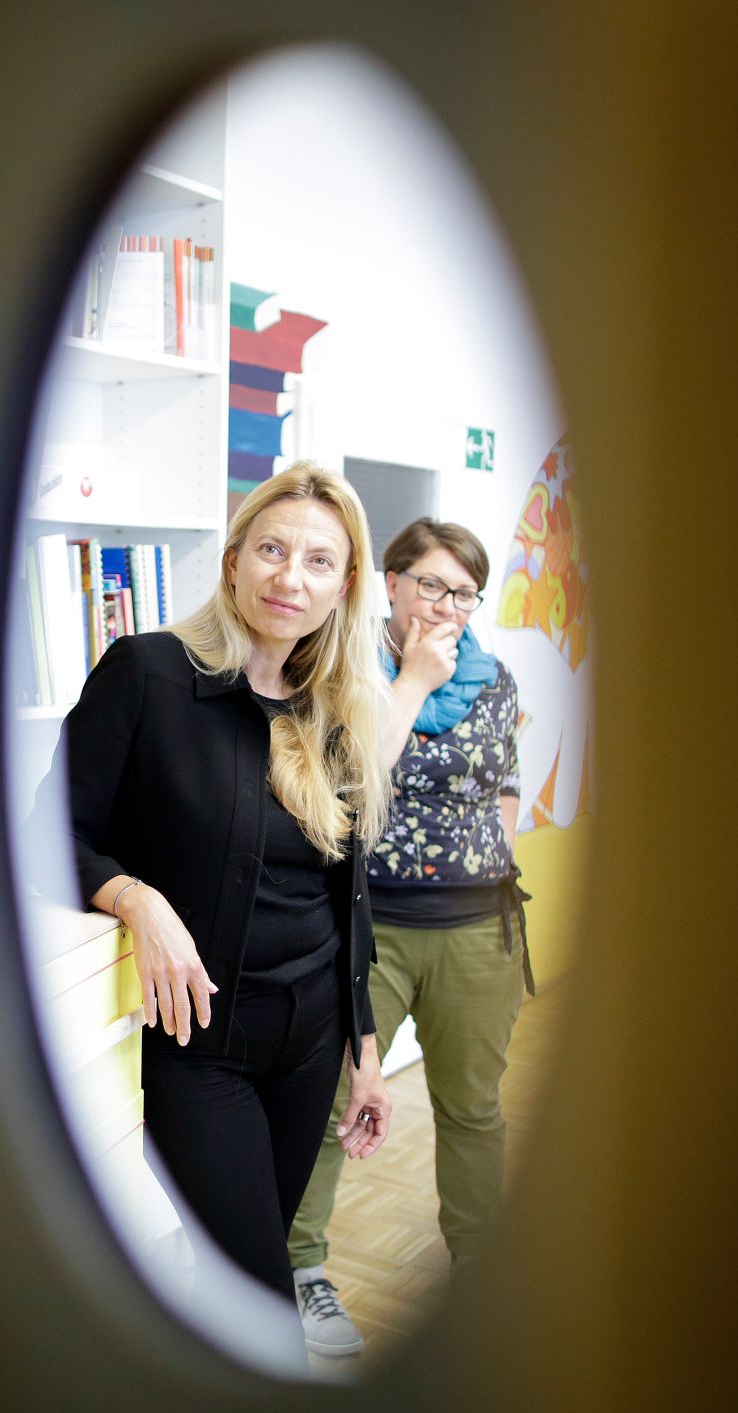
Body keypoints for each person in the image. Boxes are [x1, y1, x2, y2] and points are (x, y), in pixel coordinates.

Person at [38, 462, 394, 1309]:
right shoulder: (147, 673)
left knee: (242, 1282)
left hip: (310, 1044)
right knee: (261, 1296)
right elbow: (47, 837)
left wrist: (365, 1053)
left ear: (344, 586)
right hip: (199, 1048)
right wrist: (136, 897)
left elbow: (347, 897)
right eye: (272, 549)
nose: (289, 577)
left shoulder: (338, 708)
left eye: (317, 560)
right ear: (233, 560)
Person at [287, 516, 532, 1356]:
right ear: (389, 582)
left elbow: (504, 783)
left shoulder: (494, 679)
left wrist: (492, 861)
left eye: (464, 593)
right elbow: (349, 784)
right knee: (333, 1101)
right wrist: (417, 683)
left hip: (479, 930)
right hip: (371, 927)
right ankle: (304, 1269)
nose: (447, 606)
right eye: (431, 584)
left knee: (474, 1108)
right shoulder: (343, 670)